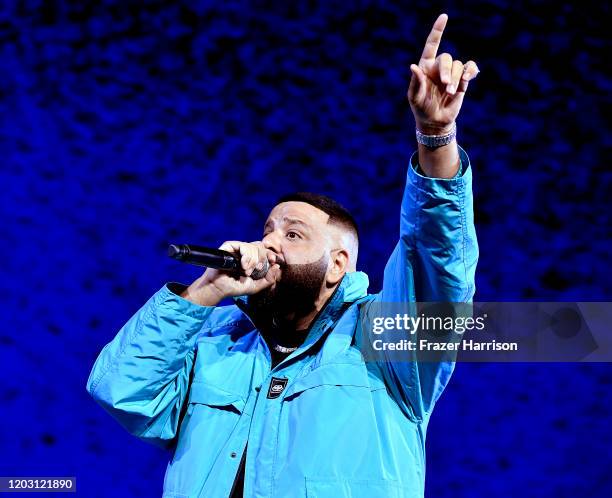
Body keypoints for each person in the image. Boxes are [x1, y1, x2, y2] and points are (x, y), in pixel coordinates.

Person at [86, 13, 479, 498]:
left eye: (293, 235)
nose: (270, 242)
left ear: (338, 264)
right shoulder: (215, 343)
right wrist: (204, 293)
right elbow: (122, 392)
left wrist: (435, 137)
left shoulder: (386, 343)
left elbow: (434, 261)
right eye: (268, 230)